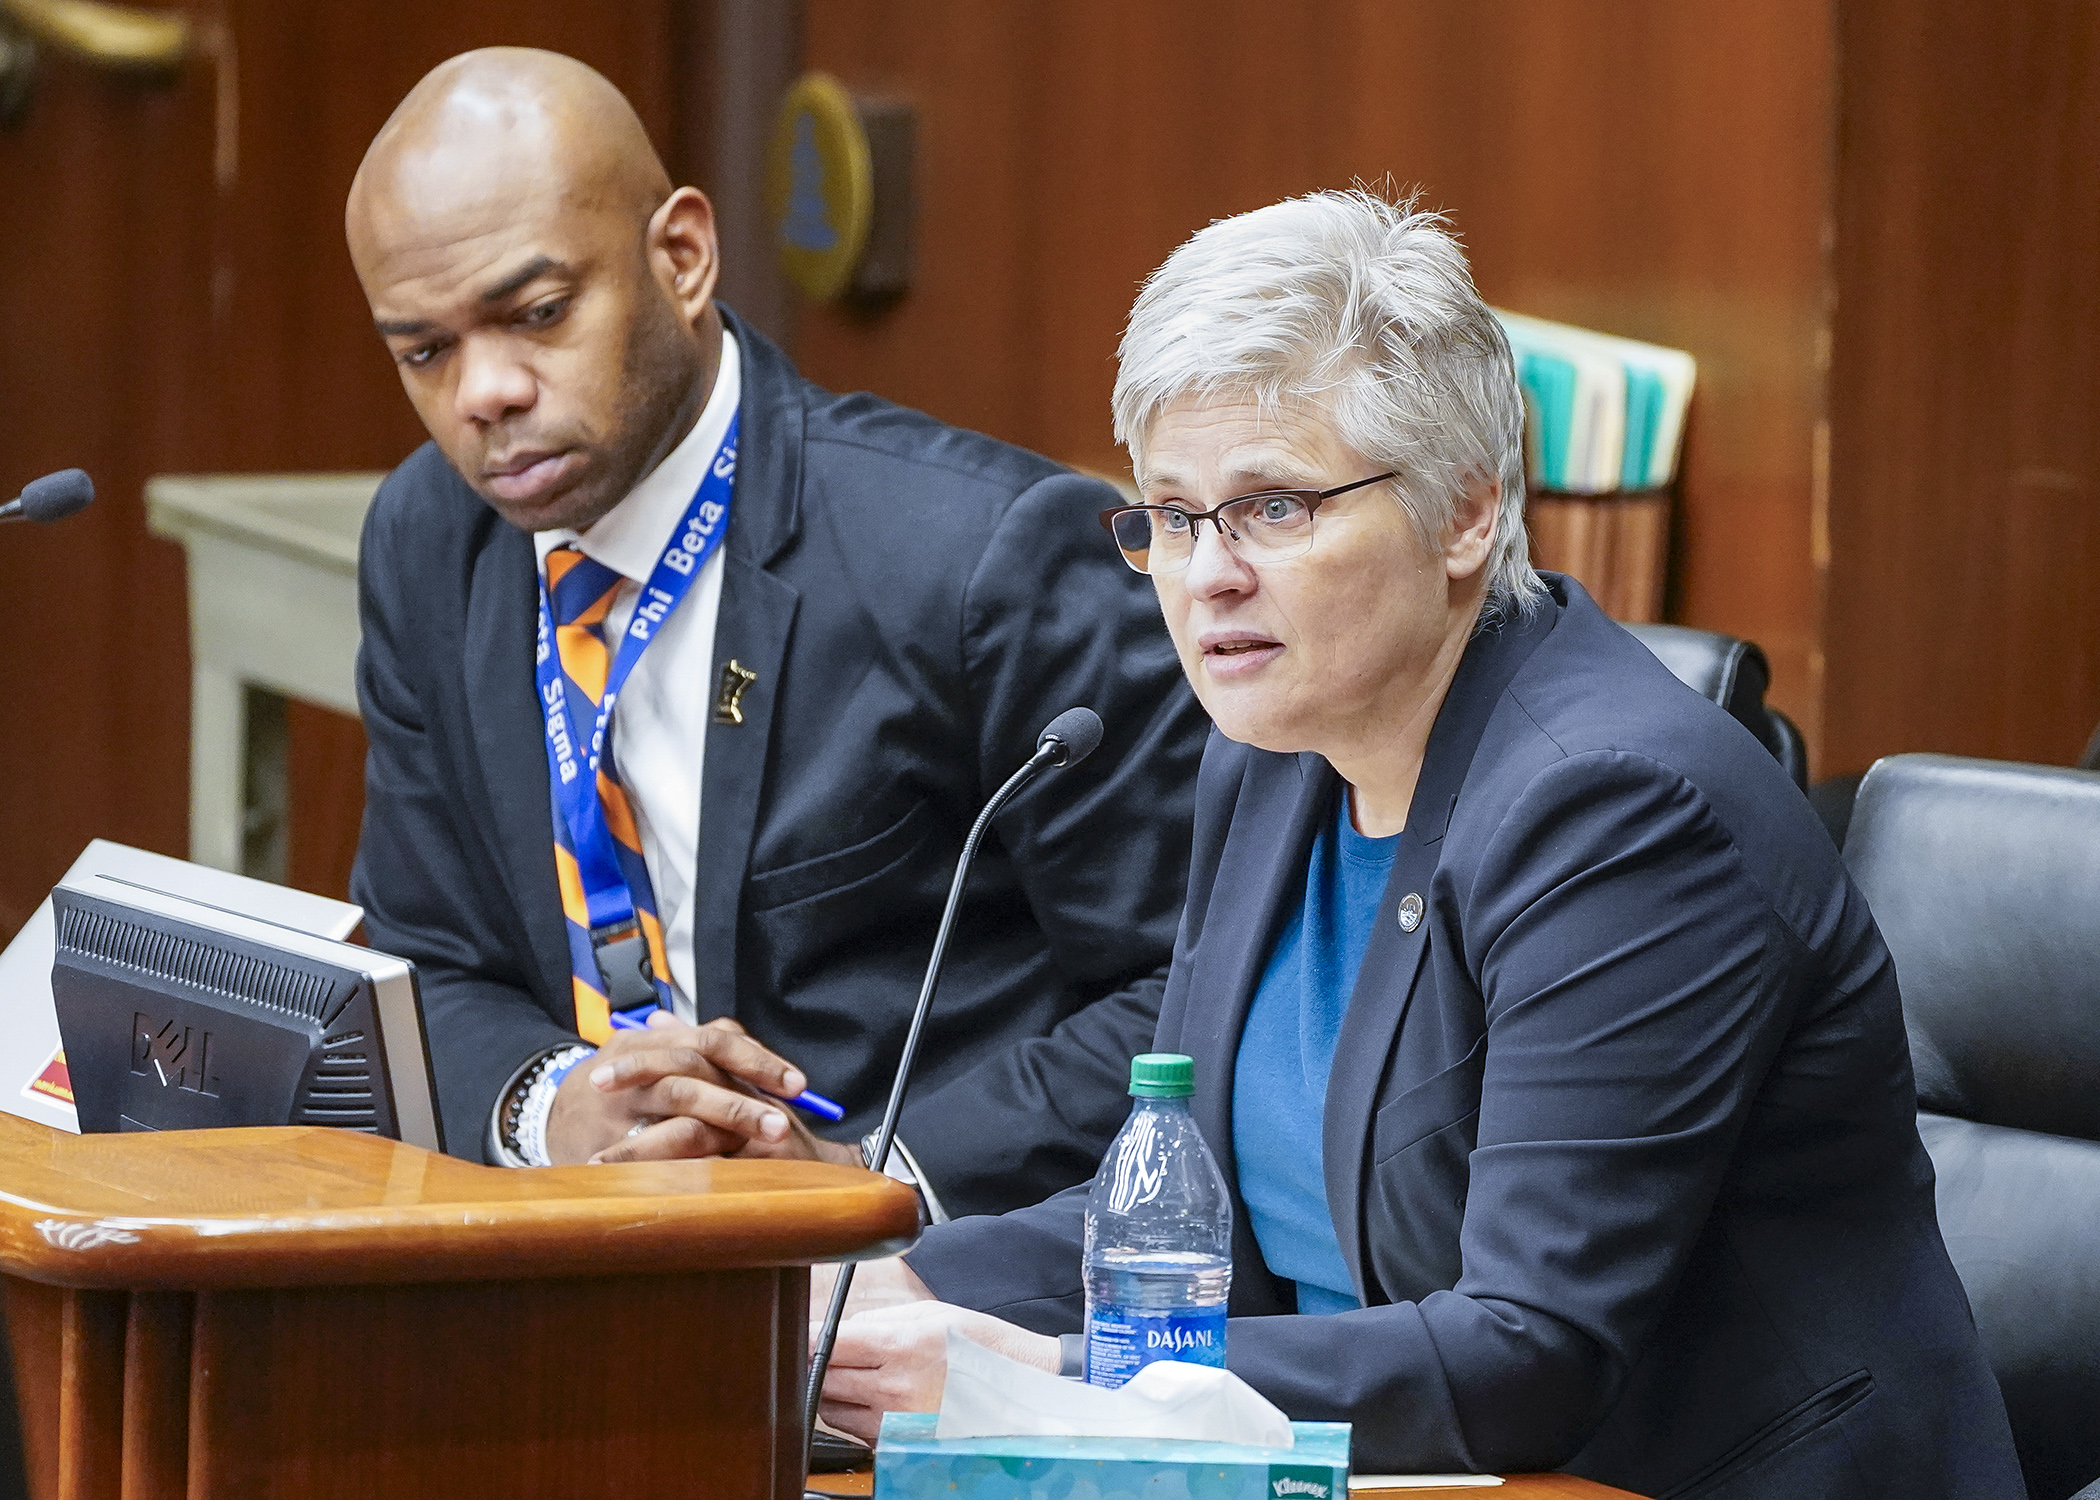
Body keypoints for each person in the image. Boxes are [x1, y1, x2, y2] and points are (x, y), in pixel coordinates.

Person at [815, 192, 2025, 1498]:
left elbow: (1531, 1351)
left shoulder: (1618, 812)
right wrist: (869, 1295)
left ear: (1462, 514)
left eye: (1272, 507)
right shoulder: (1273, 754)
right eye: (1170, 514)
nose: (1205, 575)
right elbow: (1213, 1218)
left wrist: (1056, 1380)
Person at [341, 49, 1207, 1217]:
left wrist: (868, 1177)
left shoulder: (973, 559)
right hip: (576, 1251)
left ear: (683, 258)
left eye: (538, 314)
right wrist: (555, 1103)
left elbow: (1197, 989)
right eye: (423, 352)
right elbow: (421, 961)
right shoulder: (430, 537)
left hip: (916, 1285)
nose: (484, 392)